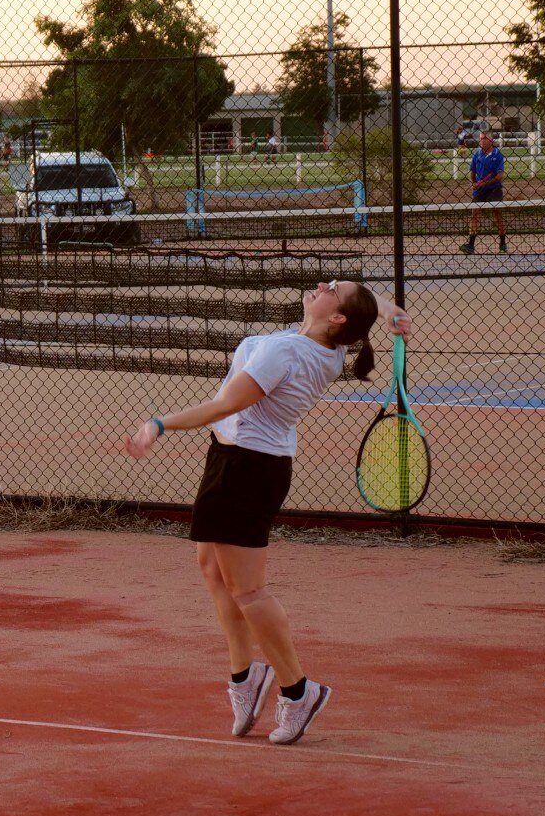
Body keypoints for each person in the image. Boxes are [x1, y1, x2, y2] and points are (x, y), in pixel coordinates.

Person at [126, 280, 411, 746]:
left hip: (248, 469)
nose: (321, 285)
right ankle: (245, 677)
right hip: (234, 459)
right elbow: (359, 299)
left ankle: (298, 690)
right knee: (213, 570)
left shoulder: (288, 355)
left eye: (330, 290)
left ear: (337, 318)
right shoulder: (325, 343)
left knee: (249, 591)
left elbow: (224, 404)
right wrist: (387, 308)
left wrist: (157, 424)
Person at [460, 130, 506, 254]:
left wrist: (485, 183)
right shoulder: (477, 155)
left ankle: (502, 243)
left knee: (497, 214)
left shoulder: (498, 155)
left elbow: (499, 175)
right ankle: (471, 245)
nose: (482, 141)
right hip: (479, 190)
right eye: (481, 139)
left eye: (485, 138)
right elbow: (472, 172)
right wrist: (474, 183)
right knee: (475, 214)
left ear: (491, 140)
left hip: (494, 189)